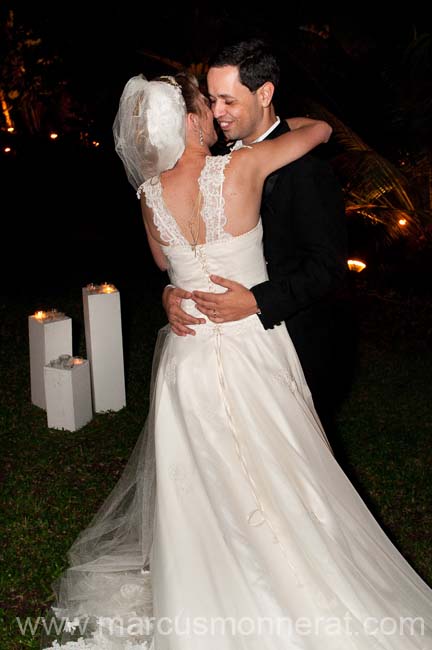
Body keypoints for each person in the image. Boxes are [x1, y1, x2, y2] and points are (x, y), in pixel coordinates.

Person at [41, 73, 432, 650]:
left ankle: (201, 608)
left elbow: (164, 263)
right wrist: (252, 137)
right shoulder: (243, 169)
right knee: (282, 477)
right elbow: (318, 130)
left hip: (188, 359)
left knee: (197, 492)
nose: (219, 115)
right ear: (193, 123)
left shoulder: (148, 196)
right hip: (252, 348)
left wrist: (174, 292)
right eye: (208, 108)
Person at [163, 38, 356, 438]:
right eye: (212, 100)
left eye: (228, 101)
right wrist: (172, 290)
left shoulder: (307, 170)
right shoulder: (215, 165)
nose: (216, 113)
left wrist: (255, 301)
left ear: (265, 92)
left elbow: (327, 268)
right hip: (230, 357)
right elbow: (193, 246)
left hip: (299, 347)